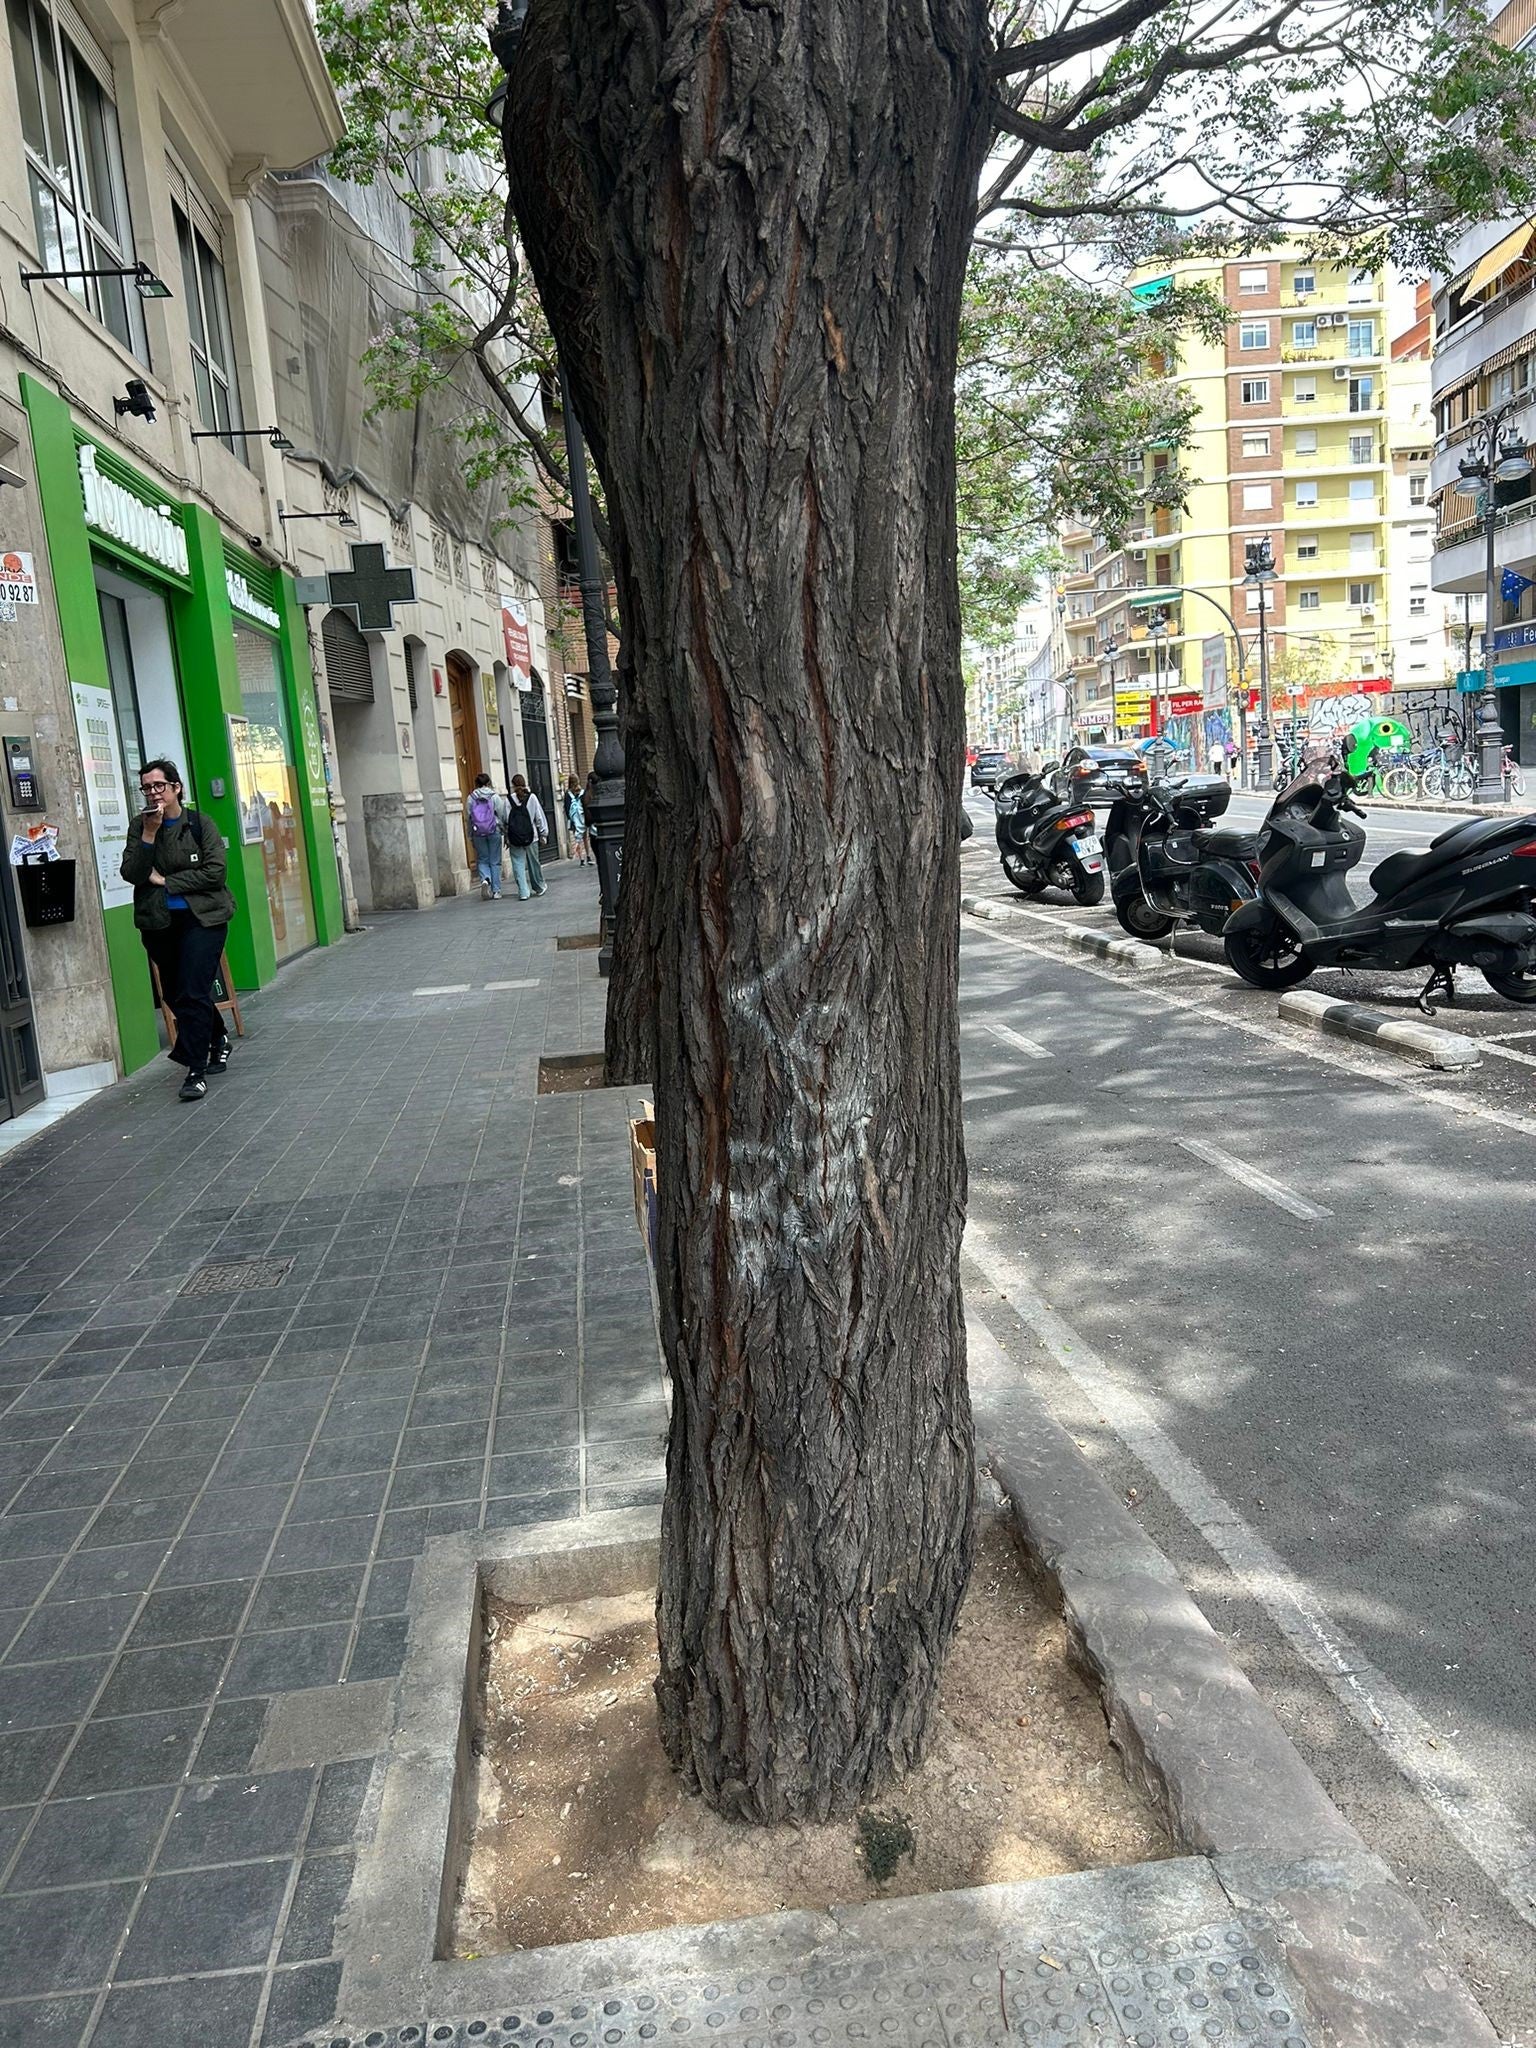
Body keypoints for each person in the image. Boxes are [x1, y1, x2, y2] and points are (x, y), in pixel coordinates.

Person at [120, 758, 236, 1103]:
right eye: (147, 787)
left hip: (204, 920)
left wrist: (168, 881)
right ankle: (218, 1037)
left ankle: (195, 1071)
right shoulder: (140, 827)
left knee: (193, 989)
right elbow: (132, 872)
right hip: (158, 922)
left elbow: (216, 873)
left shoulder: (201, 824)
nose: (153, 793)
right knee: (174, 993)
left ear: (176, 788)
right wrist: (149, 835)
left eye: (159, 786)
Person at [464, 772, 509, 899]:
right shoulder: (494, 796)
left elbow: (469, 817)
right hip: (493, 830)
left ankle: (485, 879)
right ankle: (496, 891)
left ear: (476, 784)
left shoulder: (471, 797)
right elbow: (501, 814)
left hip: (478, 832)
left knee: (482, 859)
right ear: (488, 783)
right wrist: (503, 829)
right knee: (495, 861)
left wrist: (470, 835)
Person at [505, 774, 549, 898]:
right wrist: (543, 834)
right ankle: (539, 886)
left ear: (512, 785)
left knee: (518, 863)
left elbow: (505, 820)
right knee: (533, 863)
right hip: (531, 836)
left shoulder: (508, 800)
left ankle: (523, 892)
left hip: (514, 837)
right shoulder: (532, 798)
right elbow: (539, 817)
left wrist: (506, 836)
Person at [562, 773, 590, 865]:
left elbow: (566, 808)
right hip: (583, 818)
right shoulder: (582, 792)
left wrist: (570, 818)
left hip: (574, 820)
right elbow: (586, 804)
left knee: (578, 839)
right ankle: (588, 856)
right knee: (585, 838)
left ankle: (581, 859)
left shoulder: (567, 794)